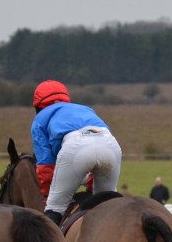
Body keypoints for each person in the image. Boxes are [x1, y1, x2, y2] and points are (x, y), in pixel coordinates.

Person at [31, 80, 122, 225]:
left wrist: (49, 195)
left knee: (55, 208)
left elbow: (45, 165)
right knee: (106, 205)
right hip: (110, 144)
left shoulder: (39, 119)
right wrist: (90, 188)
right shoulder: (85, 109)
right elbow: (97, 154)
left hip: (76, 146)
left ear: (38, 106)